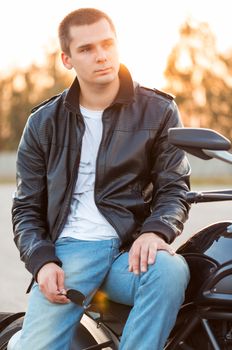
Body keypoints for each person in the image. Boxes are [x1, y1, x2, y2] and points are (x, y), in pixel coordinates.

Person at [12, 8, 191, 350]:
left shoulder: (158, 110)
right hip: (70, 255)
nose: (101, 56)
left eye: (107, 44)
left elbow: (174, 186)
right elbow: (26, 209)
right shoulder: (43, 123)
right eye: (87, 49)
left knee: (170, 270)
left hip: (130, 251)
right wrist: (42, 262)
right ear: (67, 59)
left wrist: (156, 231)